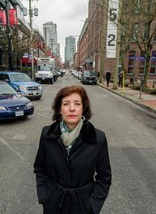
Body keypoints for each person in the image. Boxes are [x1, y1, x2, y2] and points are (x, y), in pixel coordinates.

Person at [34, 85, 112, 214]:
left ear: (83, 108)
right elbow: (40, 168)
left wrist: (93, 206)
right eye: (66, 104)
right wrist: (45, 196)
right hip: (54, 205)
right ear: (60, 109)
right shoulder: (47, 134)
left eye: (77, 103)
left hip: (83, 206)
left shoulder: (97, 138)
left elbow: (104, 177)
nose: (72, 108)